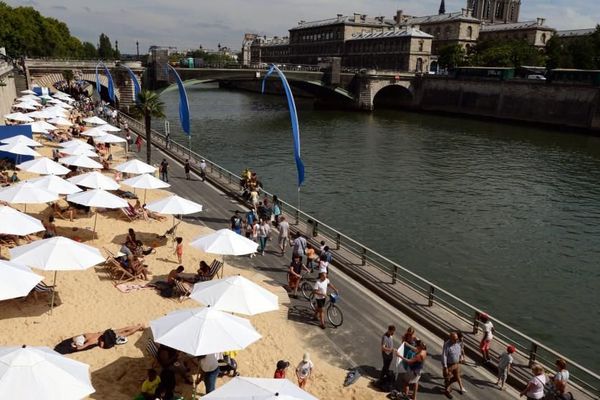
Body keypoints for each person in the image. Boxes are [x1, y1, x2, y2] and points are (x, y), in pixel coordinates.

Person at [54, 324, 144, 354]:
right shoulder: (98, 334)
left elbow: (81, 347)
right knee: (125, 330)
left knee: (127, 333)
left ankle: (138, 327)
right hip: (108, 333)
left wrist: (75, 347)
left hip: (109, 335)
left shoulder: (90, 339)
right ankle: (138, 326)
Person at [442, 332, 466, 399]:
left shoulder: (457, 343)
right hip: (449, 365)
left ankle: (448, 383)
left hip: (456, 364)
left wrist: (461, 358)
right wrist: (445, 366)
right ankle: (447, 391)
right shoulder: (447, 345)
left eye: (457, 339)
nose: (456, 340)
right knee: (447, 378)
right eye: (455, 339)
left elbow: (460, 351)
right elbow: (444, 356)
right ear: (451, 339)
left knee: (457, 377)